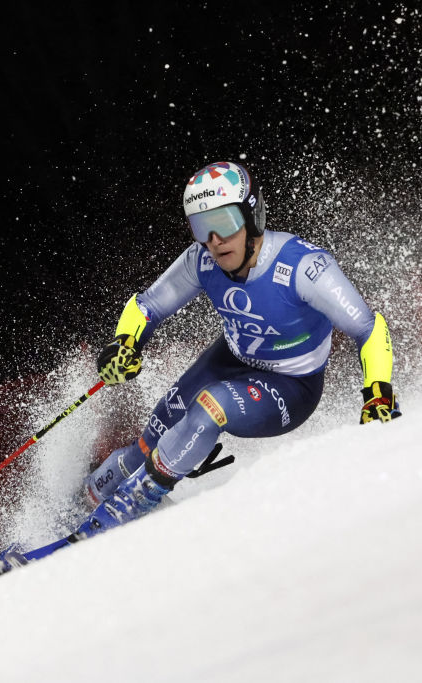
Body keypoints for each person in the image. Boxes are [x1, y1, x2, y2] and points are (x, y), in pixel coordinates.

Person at [72, 160, 401, 539]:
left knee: (210, 407)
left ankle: (132, 505)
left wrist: (378, 393)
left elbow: (368, 328)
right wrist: (124, 342)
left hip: (292, 385)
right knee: (156, 429)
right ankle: (88, 497)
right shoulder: (203, 261)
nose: (214, 239)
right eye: (201, 226)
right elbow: (148, 306)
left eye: (225, 222)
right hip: (229, 360)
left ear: (252, 215)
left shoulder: (304, 267)